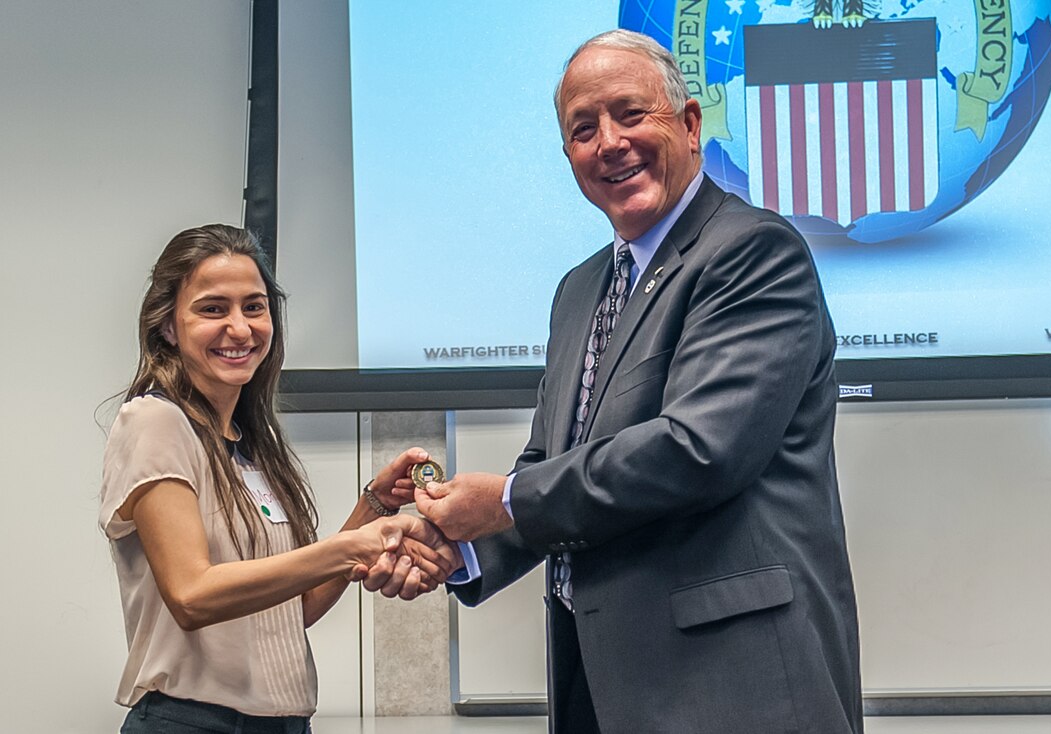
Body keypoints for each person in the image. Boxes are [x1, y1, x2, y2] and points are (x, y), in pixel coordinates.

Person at [411, 30, 864, 733]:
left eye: (630, 114)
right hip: (600, 687)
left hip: (733, 689)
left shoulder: (753, 251)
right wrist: (451, 550)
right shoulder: (579, 289)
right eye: (582, 130)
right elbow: (551, 469)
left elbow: (697, 450)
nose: (609, 143)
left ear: (688, 125)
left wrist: (503, 501)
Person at [99, 224, 456, 732]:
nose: (241, 329)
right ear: (168, 326)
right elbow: (191, 595)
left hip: (285, 723)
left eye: (254, 306)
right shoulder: (156, 421)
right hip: (193, 723)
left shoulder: (250, 442)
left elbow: (297, 609)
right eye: (212, 308)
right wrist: (354, 547)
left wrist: (375, 507)